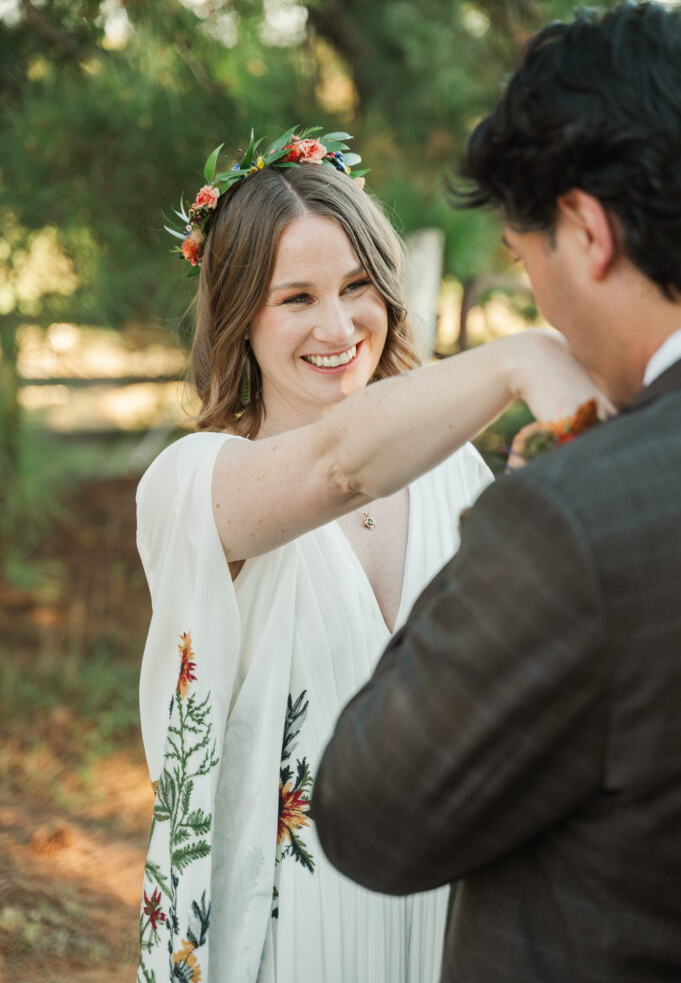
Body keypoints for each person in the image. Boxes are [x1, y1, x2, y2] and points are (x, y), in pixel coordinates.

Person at [135, 127, 607, 983]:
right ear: (239, 317)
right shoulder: (192, 484)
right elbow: (337, 466)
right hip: (281, 927)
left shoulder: (455, 475)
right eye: (295, 298)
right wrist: (522, 357)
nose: (337, 324)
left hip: (446, 911)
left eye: (357, 286)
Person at [311, 1, 681, 983]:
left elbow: (368, 812)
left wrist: (526, 514)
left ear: (587, 231)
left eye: (525, 262)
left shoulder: (571, 513)